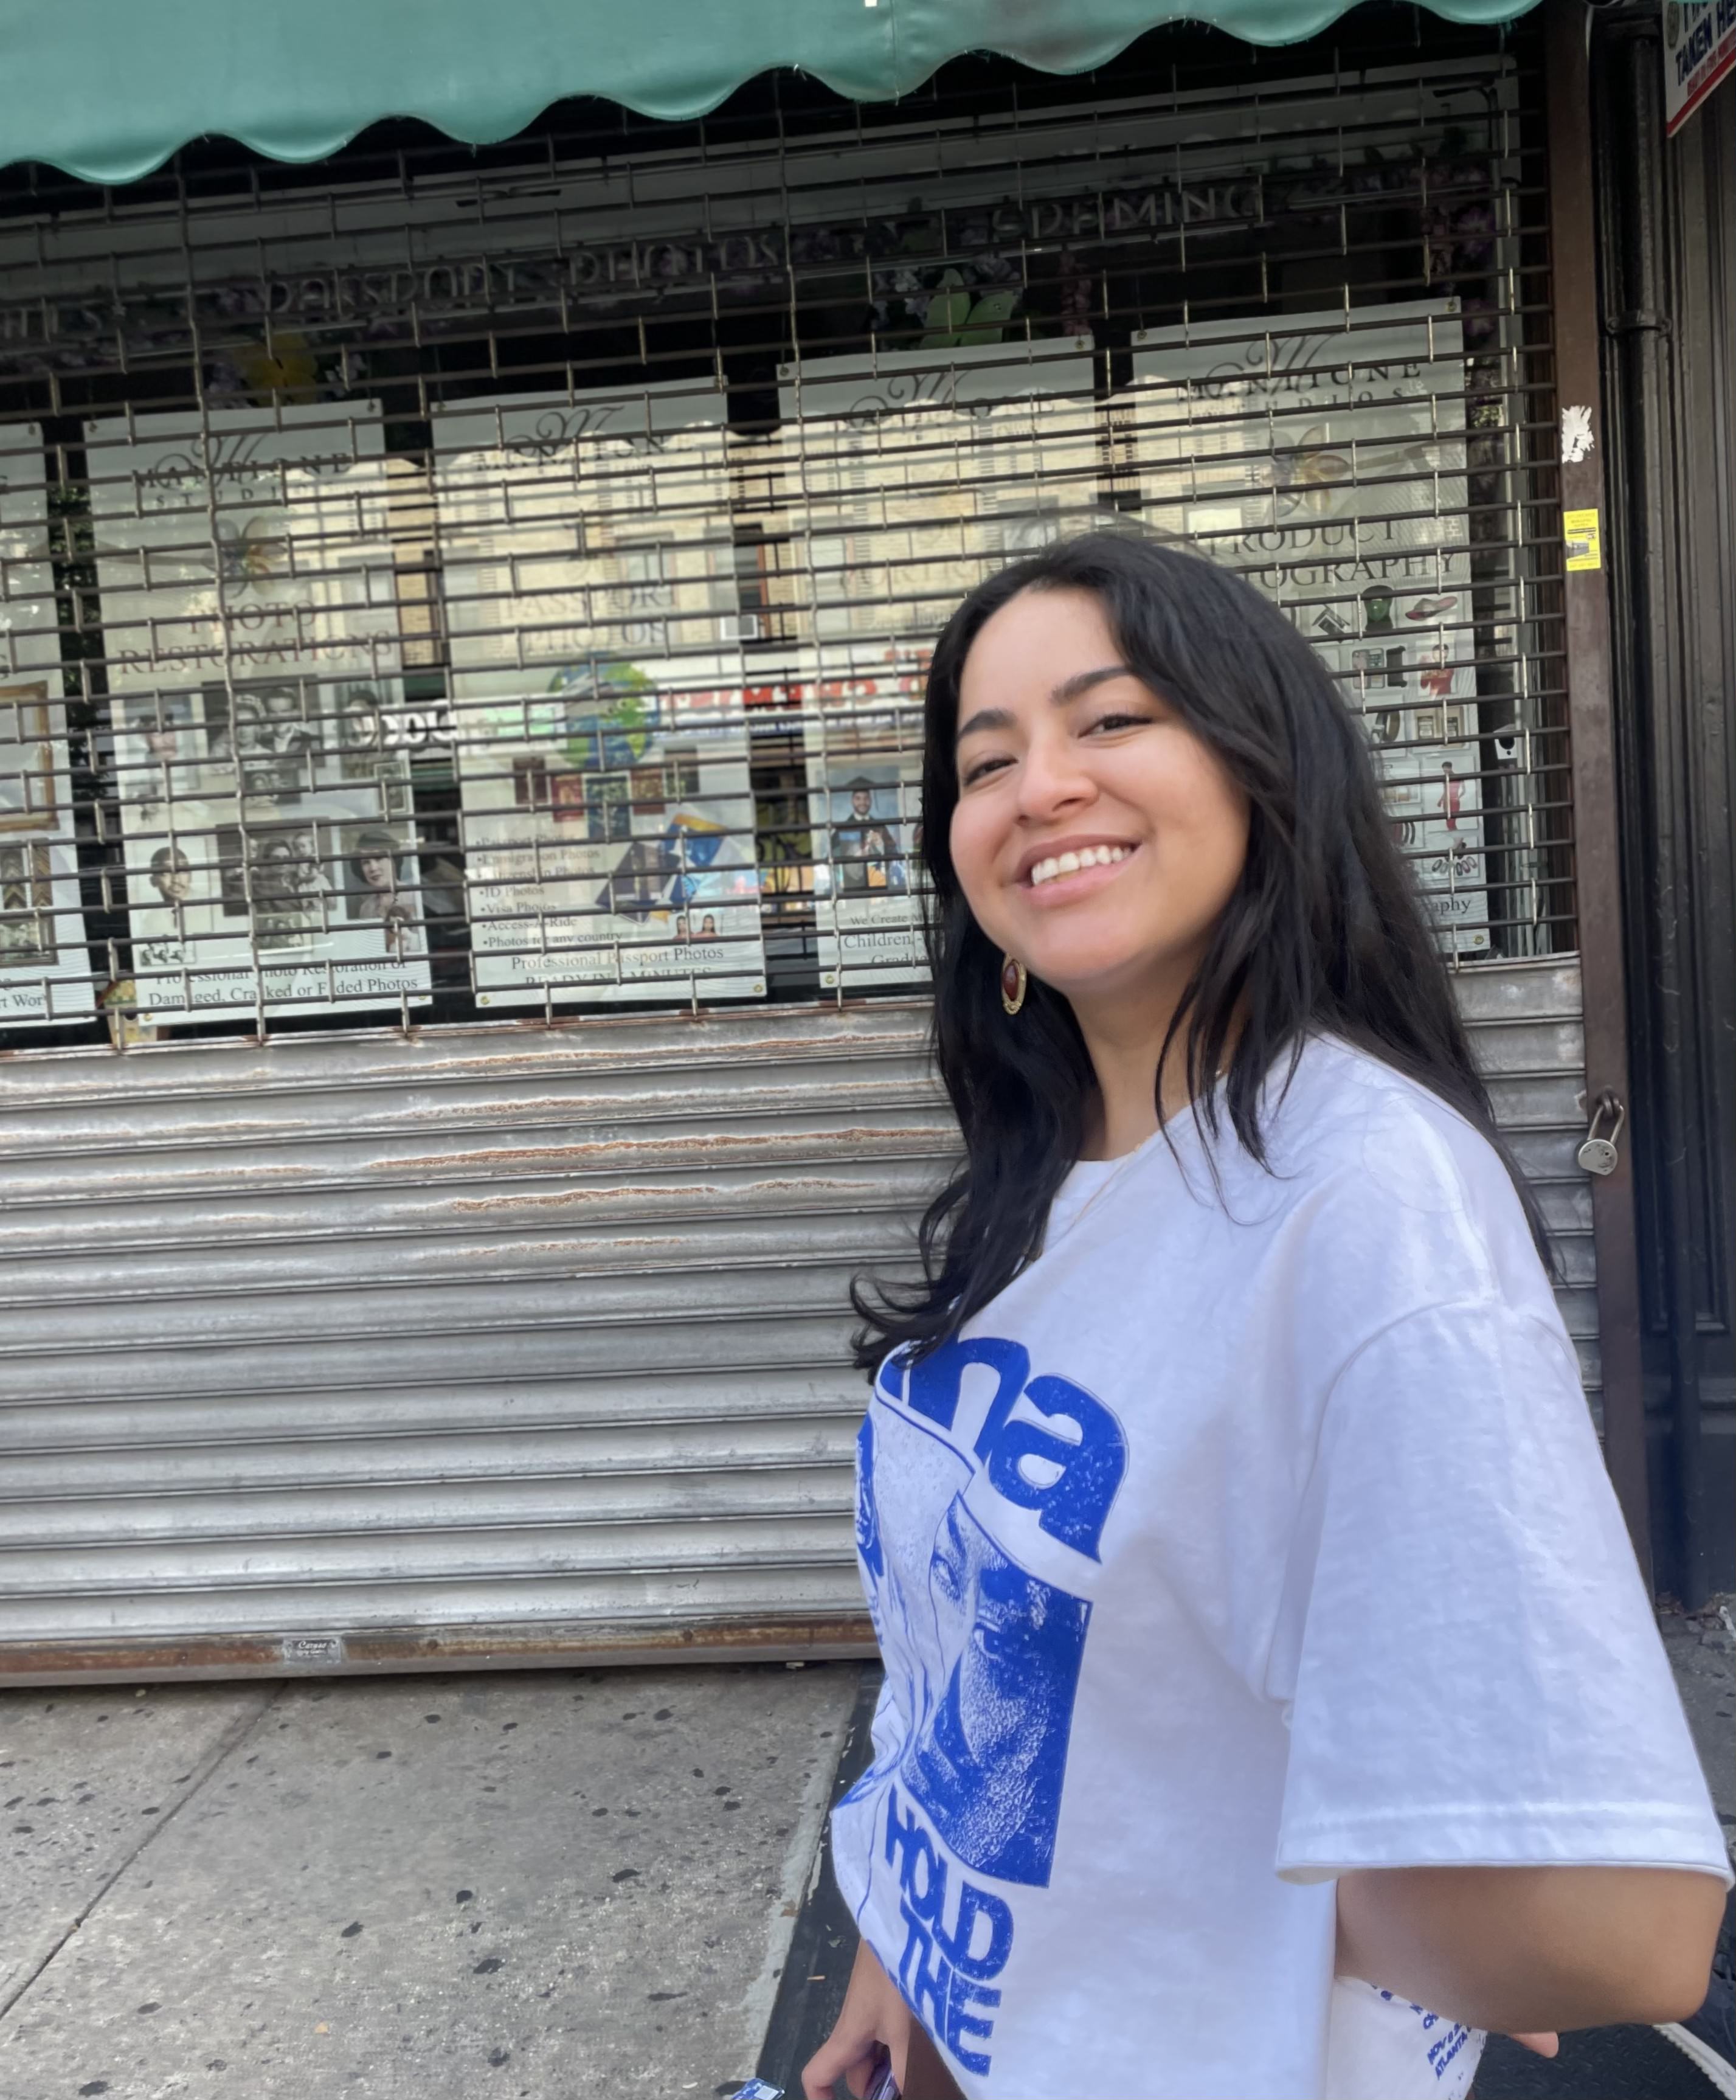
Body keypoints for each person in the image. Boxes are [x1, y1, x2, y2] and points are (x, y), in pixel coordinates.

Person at [803, 534, 1728, 2100]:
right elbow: (986, 1661)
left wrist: (1307, 1912)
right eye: (987, 756)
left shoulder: (1364, 1200)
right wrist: (904, 1941)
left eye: (1111, 721)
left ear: (1260, 766)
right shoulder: (1044, 1170)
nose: (1039, 786)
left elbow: (1614, 1930)